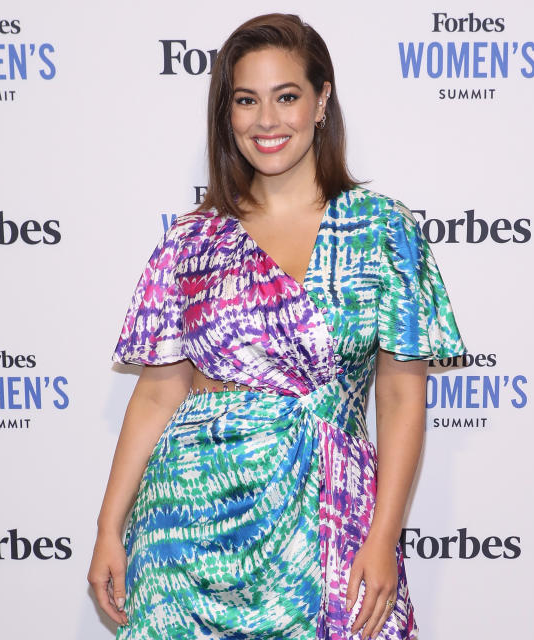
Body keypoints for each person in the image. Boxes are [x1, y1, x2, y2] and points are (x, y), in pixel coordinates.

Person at [87, 12, 465, 640]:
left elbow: (401, 393)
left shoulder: (382, 230)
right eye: (246, 100)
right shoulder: (192, 241)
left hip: (328, 512)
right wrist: (108, 528)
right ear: (227, 114)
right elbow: (158, 391)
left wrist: (384, 536)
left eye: (286, 96)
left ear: (321, 102)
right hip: (188, 521)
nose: (266, 120)